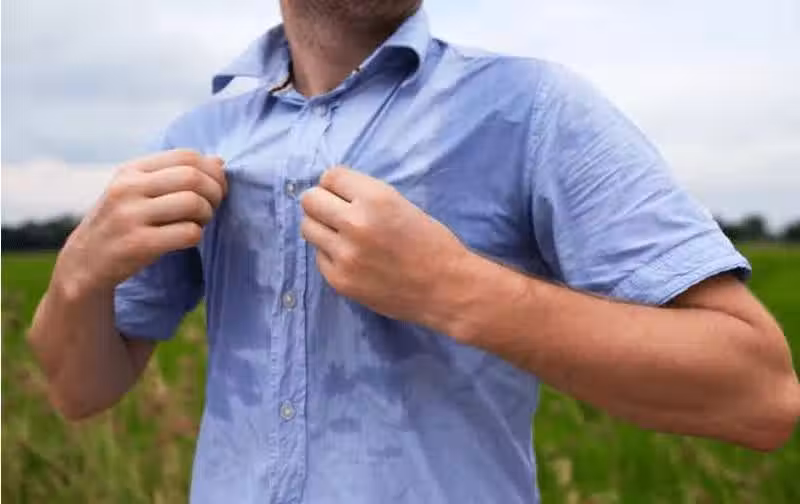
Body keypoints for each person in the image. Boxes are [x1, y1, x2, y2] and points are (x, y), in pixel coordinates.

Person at [29, 1, 799, 502]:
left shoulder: (533, 111)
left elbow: (760, 394)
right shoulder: (198, 138)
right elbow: (80, 391)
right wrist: (77, 276)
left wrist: (455, 288)